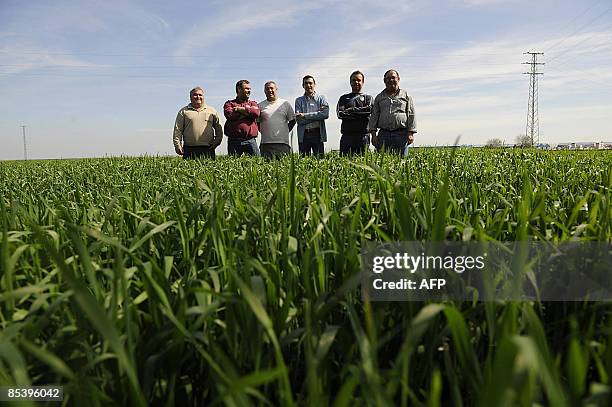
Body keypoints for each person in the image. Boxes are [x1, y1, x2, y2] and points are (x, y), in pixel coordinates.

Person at [368, 69, 417, 156]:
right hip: (383, 135)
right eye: (388, 78)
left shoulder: (406, 95)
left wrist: (411, 133)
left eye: (393, 78)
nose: (391, 80)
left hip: (401, 135)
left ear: (398, 79)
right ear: (384, 81)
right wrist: (373, 135)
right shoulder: (379, 97)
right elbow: (374, 116)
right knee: (382, 162)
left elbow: (411, 114)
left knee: (401, 162)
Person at [173, 87, 223, 159]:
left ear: (203, 97)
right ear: (190, 97)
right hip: (189, 149)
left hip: (208, 148)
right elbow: (178, 130)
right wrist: (177, 145)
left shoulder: (211, 111)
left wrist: (217, 141)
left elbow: (219, 128)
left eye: (200, 95)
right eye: (195, 95)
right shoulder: (184, 111)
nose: (198, 97)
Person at [336, 70, 373, 155]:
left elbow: (368, 110)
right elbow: (340, 114)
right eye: (353, 80)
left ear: (363, 82)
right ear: (350, 82)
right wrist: (360, 114)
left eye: (359, 80)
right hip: (347, 137)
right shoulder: (343, 98)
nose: (356, 82)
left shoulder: (368, 98)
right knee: (345, 164)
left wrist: (351, 110)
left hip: (363, 137)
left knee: (364, 165)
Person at [258, 81, 296, 158]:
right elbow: (257, 123)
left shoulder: (285, 104)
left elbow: (292, 120)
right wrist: (263, 131)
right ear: (264, 91)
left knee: (283, 168)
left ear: (276, 89)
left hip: (282, 144)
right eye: (267, 89)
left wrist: (284, 131)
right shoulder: (260, 106)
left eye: (272, 88)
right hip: (266, 144)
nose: (270, 90)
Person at [223, 80, 261, 156]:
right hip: (234, 141)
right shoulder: (229, 103)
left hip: (250, 140)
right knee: (233, 166)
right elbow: (230, 115)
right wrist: (248, 114)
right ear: (239, 89)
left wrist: (239, 109)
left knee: (257, 164)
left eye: (250, 89)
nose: (249, 91)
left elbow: (256, 113)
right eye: (247, 88)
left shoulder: (253, 103)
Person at [295, 75, 329, 156]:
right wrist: (317, 115)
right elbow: (299, 120)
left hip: (318, 133)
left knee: (319, 161)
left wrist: (304, 115)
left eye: (310, 83)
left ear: (314, 84)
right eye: (306, 83)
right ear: (303, 86)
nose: (308, 85)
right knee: (303, 163)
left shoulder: (322, 98)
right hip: (304, 135)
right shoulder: (298, 100)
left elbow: (325, 114)